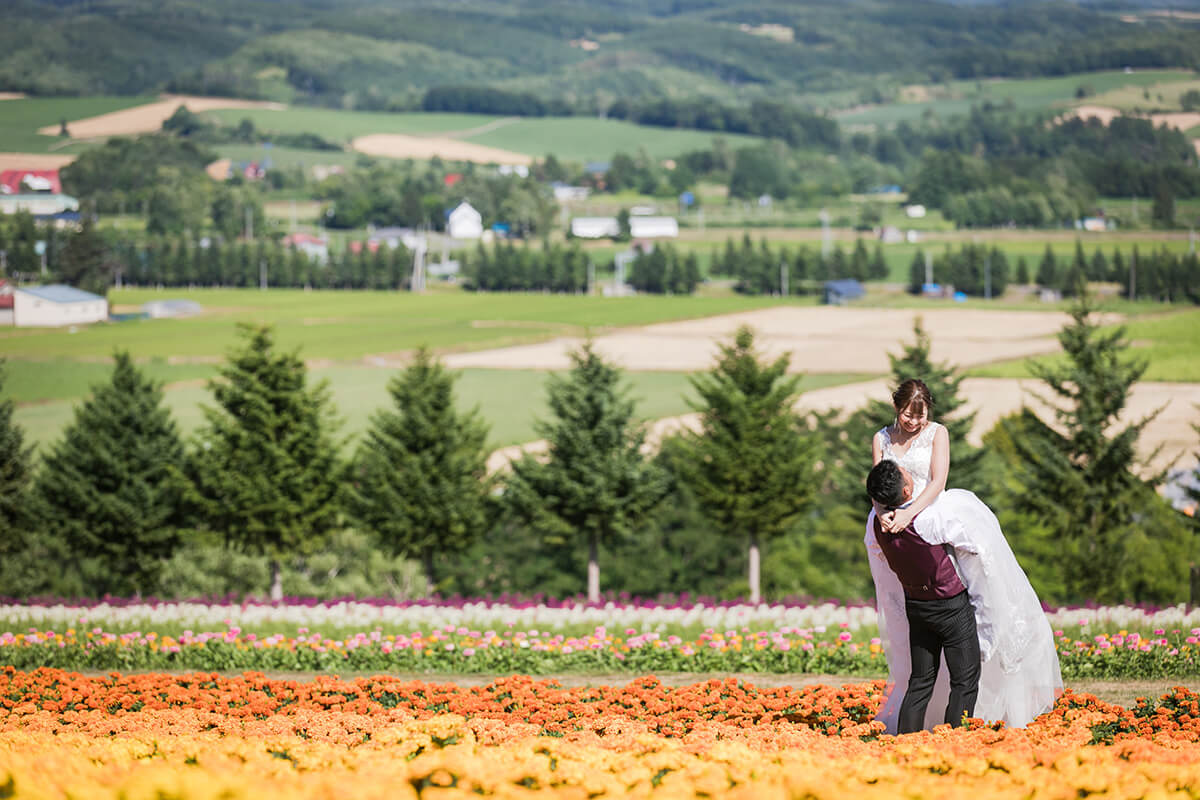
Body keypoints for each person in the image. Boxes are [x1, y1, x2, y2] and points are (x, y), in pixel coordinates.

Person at [865, 378, 1061, 732]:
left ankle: (982, 645)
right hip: (891, 519)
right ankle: (944, 725)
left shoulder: (937, 433)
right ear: (897, 407)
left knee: (976, 573)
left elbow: (938, 481)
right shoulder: (881, 439)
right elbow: (878, 482)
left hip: (931, 512)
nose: (914, 423)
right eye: (909, 415)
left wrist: (911, 513)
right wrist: (882, 513)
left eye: (920, 417)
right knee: (909, 611)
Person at [866, 459, 980, 733]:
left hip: (916, 606)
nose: (910, 471)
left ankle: (907, 741)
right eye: (906, 474)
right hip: (951, 605)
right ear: (906, 492)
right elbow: (971, 545)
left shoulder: (877, 524)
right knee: (964, 680)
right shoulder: (930, 517)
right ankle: (955, 740)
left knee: (920, 681)